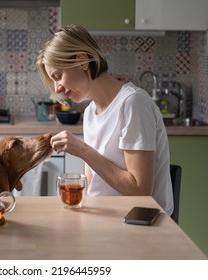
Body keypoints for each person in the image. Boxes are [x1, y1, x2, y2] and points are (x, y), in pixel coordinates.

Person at [36, 24, 174, 215]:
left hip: (140, 223)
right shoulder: (91, 111)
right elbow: (93, 185)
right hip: (106, 216)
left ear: (82, 61)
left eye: (58, 76)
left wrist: (82, 150)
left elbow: (141, 191)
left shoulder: (132, 103)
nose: (57, 88)